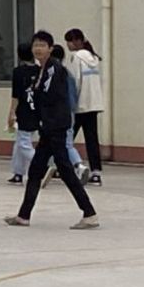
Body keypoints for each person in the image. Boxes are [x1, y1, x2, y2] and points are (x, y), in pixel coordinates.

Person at [5, 31, 98, 229]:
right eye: (35, 45)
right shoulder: (43, 69)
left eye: (42, 45)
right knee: (36, 170)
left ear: (50, 48)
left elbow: (49, 98)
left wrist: (41, 116)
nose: (38, 49)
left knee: (65, 170)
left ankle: (89, 213)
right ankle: (24, 215)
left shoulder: (54, 70)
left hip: (55, 126)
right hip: (48, 127)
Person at [40, 45, 91, 189]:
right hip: (70, 112)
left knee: (65, 144)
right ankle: (55, 168)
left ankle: (78, 165)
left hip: (59, 114)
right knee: (58, 144)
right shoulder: (67, 73)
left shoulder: (54, 74)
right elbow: (74, 94)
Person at [63, 28, 104, 186]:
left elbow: (74, 82)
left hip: (79, 104)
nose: (68, 45)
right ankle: (96, 172)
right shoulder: (93, 58)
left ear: (77, 41)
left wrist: (71, 103)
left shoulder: (76, 57)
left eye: (69, 41)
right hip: (93, 104)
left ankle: (61, 166)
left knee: (66, 138)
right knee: (92, 139)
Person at [7, 42, 38, 185]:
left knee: (24, 143)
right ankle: (18, 173)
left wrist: (11, 113)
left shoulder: (18, 72)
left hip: (24, 111)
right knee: (19, 143)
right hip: (36, 110)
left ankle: (42, 164)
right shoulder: (39, 70)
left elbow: (16, 95)